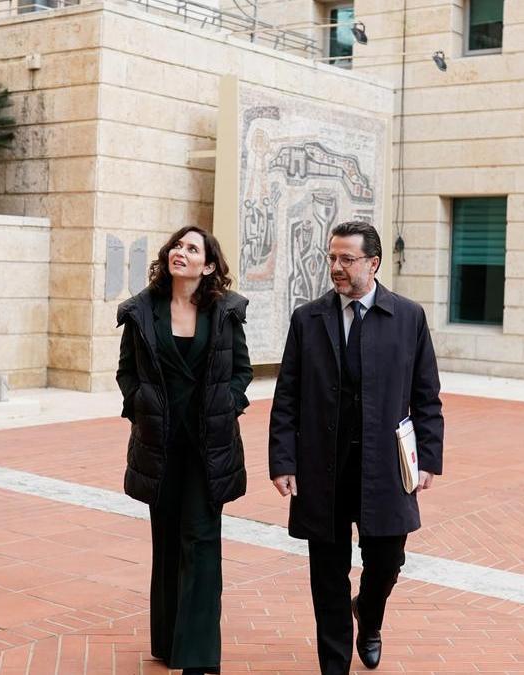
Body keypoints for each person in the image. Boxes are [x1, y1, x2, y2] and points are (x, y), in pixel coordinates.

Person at [268, 221, 444, 674]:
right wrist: (283, 460)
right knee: (326, 575)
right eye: (332, 258)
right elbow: (287, 395)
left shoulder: (408, 317)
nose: (336, 268)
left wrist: (428, 458)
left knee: (387, 560)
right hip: (322, 467)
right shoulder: (308, 319)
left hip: (385, 467)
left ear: (374, 263)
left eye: (347, 259)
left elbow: (426, 395)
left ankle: (368, 614)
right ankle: (334, 664)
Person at [116, 225, 253, 675]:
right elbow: (126, 372)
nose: (181, 251)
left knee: (201, 539)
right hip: (160, 444)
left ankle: (198, 658)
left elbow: (242, 371)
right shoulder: (141, 311)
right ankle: (169, 642)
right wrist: (139, 405)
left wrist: (227, 403)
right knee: (168, 541)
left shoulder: (226, 312)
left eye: (192, 248)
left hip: (208, 447)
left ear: (208, 265)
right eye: (177, 245)